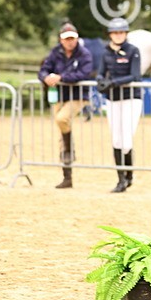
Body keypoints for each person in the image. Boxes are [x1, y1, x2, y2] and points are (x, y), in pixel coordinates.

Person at [39, 23, 93, 189]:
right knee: (61, 132)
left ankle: (69, 148)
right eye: (66, 39)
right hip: (60, 96)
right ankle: (67, 175)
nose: (70, 42)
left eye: (72, 38)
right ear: (61, 40)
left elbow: (84, 73)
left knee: (62, 119)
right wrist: (46, 77)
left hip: (77, 96)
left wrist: (61, 77)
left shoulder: (84, 54)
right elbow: (43, 69)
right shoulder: (56, 52)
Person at [96, 17, 143, 193]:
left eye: (121, 32)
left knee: (126, 139)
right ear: (110, 34)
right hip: (113, 99)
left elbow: (135, 75)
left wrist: (113, 82)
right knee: (116, 138)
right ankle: (121, 179)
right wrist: (101, 81)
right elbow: (100, 73)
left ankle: (129, 174)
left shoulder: (133, 51)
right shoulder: (105, 52)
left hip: (131, 99)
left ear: (126, 34)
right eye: (115, 32)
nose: (118, 35)